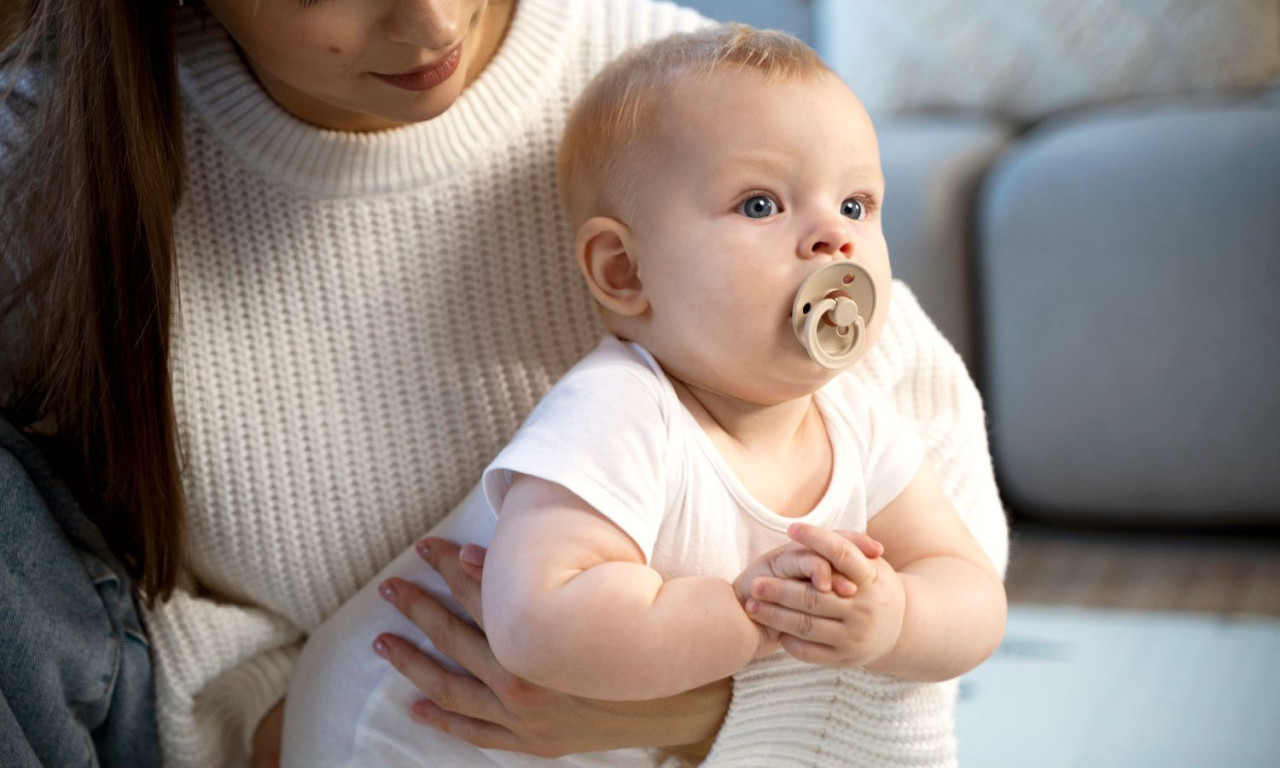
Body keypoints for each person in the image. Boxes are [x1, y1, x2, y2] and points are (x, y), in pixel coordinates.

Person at [0, 2, 1009, 768]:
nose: (431, 21)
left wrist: (700, 710)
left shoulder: (702, 97)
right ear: (617, 270)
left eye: (857, 206)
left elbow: (949, 613)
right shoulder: (57, 161)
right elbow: (102, 612)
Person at [278, 25, 1007, 768]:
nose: (832, 239)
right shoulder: (618, 412)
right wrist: (743, 615)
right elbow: (536, 621)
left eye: (857, 204)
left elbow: (970, 587)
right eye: (760, 205)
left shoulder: (857, 422)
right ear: (625, 272)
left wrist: (896, 620)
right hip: (399, 741)